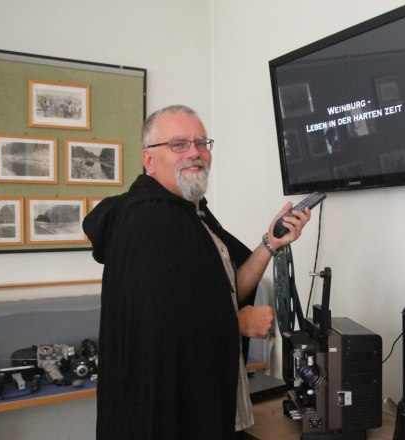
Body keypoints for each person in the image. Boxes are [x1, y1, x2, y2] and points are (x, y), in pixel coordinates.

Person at [83, 104, 310, 440]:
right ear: (149, 159)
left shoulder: (194, 214)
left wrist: (270, 244)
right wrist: (237, 323)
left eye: (201, 143)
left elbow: (231, 289)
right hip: (166, 415)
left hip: (206, 400)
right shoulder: (146, 220)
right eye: (178, 145)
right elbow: (154, 323)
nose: (194, 153)